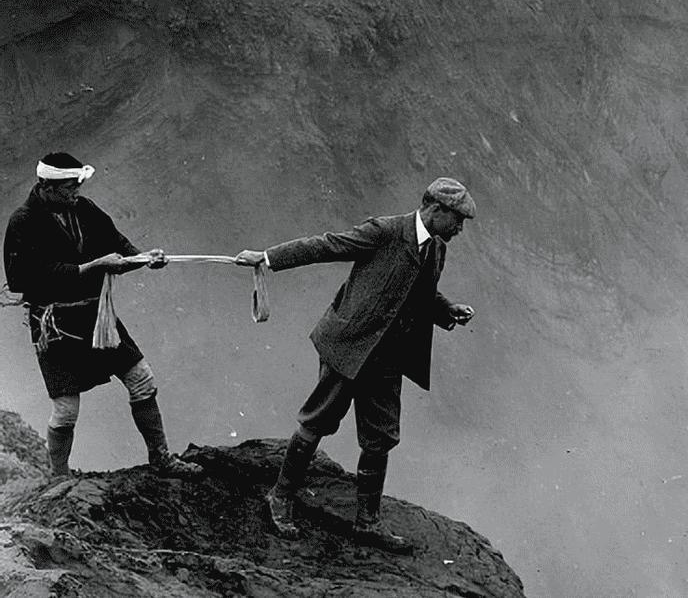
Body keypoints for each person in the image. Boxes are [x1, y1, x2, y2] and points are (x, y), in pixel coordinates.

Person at [234, 176, 477, 545]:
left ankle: (367, 522)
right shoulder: (385, 231)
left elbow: (421, 292)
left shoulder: (436, 248)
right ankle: (280, 497)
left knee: (380, 438)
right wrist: (267, 257)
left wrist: (447, 310)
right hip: (349, 346)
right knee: (317, 421)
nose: (460, 228)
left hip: (387, 358)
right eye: (457, 219)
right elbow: (326, 245)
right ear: (435, 209)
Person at [2, 153, 201, 478]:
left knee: (141, 379)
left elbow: (115, 242)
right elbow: (21, 279)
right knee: (66, 410)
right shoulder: (23, 221)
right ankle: (59, 476)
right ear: (46, 187)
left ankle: (161, 458)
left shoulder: (83, 208)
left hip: (97, 316)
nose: (76, 193)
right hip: (56, 327)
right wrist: (90, 267)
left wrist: (142, 258)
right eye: (69, 187)